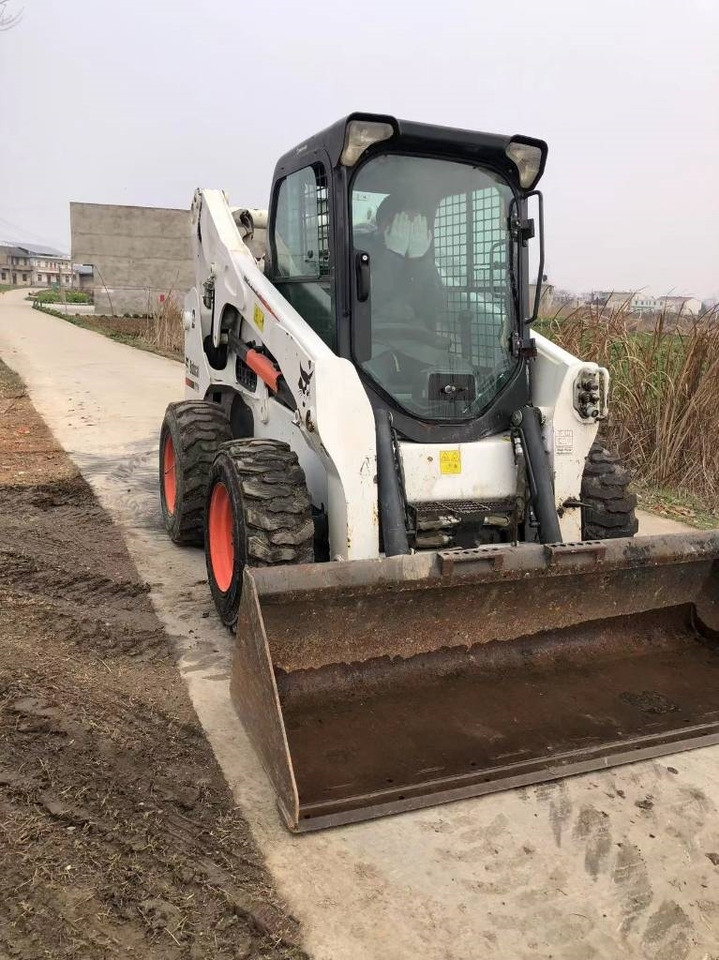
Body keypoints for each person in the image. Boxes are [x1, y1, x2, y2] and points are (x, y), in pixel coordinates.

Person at [360, 194, 446, 332]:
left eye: (417, 225)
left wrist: (419, 260)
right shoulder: (360, 246)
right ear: (384, 224)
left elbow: (436, 306)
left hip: (413, 335)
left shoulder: (419, 250)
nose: (411, 231)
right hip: (372, 334)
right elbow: (368, 303)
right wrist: (394, 253)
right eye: (404, 223)